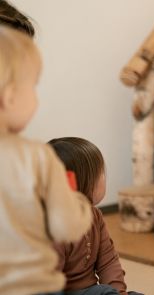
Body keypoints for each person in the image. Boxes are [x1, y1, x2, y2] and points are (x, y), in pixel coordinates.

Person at [0, 27, 92, 294]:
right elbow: (66, 226)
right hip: (32, 287)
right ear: (10, 97)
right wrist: (78, 203)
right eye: (34, 87)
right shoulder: (36, 157)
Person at [49, 137, 143, 295]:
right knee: (103, 292)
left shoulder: (95, 216)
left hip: (91, 291)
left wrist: (120, 292)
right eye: (101, 174)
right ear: (81, 183)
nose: (104, 178)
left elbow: (108, 261)